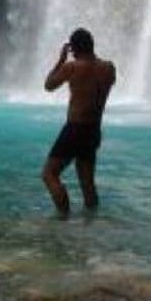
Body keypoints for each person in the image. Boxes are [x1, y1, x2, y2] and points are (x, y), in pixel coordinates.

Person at [41, 28, 116, 216]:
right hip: (93, 130)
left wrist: (61, 60)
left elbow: (48, 85)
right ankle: (91, 224)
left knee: (49, 174)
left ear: (73, 49)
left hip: (75, 128)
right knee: (87, 184)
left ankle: (63, 218)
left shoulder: (72, 67)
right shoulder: (109, 68)